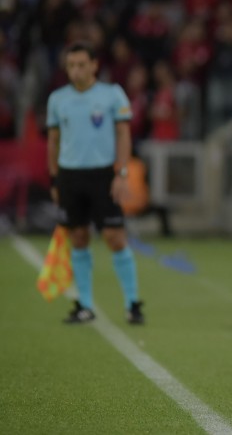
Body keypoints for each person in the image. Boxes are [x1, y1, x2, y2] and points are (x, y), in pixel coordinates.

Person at [46, 42, 144, 325]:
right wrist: (54, 178)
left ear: (93, 65)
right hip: (69, 175)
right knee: (78, 238)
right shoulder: (57, 99)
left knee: (115, 237)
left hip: (103, 175)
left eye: (80, 64)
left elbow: (124, 134)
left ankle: (132, 303)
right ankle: (85, 305)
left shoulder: (112, 94)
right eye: (70, 65)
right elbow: (53, 141)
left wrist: (122, 173)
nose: (75, 70)